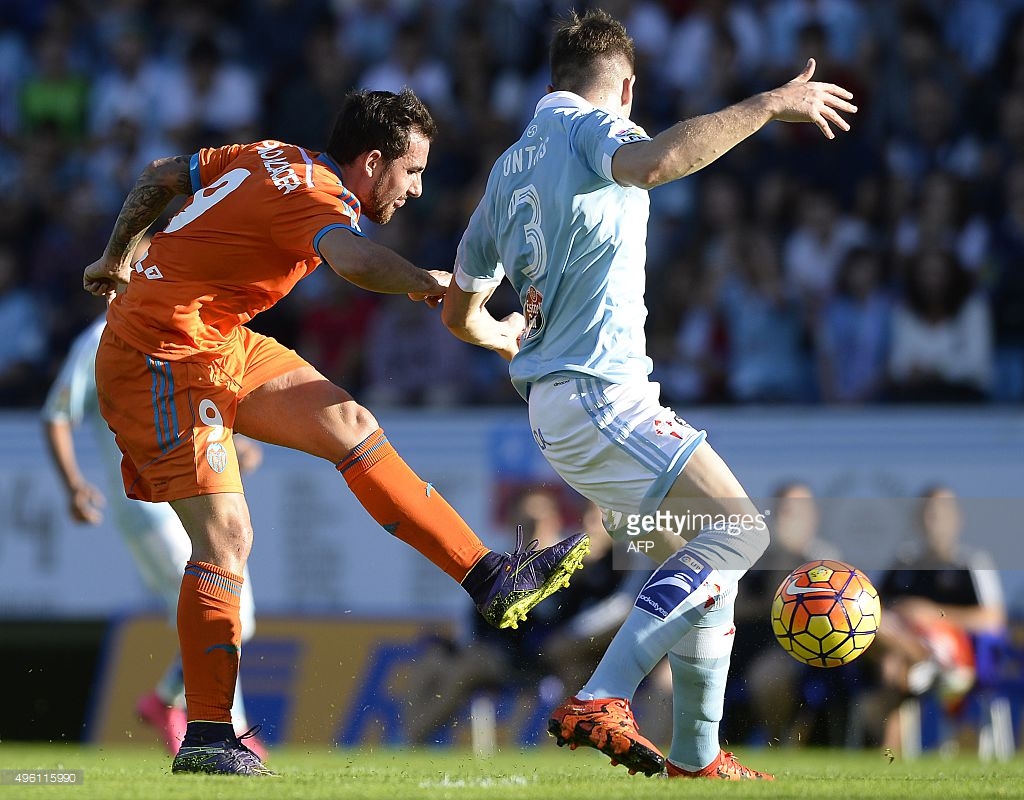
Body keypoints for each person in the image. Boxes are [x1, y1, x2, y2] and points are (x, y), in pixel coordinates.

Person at [81, 88, 589, 776]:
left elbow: (160, 175)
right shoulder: (319, 197)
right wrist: (424, 282)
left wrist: (116, 256)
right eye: (411, 171)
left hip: (215, 337)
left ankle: (489, 576)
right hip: (159, 357)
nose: (416, 189)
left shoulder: (269, 154)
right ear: (372, 162)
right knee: (226, 537)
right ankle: (206, 734)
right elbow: (353, 261)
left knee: (351, 425)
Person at [441, 9, 856, 780]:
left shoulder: (506, 169)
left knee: (704, 571)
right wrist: (768, 104)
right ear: (626, 87)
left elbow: (460, 310)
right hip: (603, 396)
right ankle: (603, 695)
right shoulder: (591, 129)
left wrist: (504, 336)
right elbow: (659, 162)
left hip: (557, 413)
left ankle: (696, 754)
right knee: (740, 534)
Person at [41, 279, 263, 757]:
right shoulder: (98, 339)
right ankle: (212, 723)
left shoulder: (174, 328)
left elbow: (194, 401)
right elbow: (56, 413)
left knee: (228, 610)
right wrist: (74, 485)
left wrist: (234, 442)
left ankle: (178, 706)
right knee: (229, 609)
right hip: (146, 505)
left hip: (194, 494)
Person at [865, 485, 1006, 752]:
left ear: (957, 518)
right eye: (928, 513)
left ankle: (888, 749)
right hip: (904, 655)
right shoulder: (905, 562)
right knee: (874, 628)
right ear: (918, 520)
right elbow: (875, 607)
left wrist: (933, 614)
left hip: (954, 660)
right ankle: (889, 749)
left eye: (941, 513)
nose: (934, 520)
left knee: (892, 658)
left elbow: (993, 618)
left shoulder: (971, 562)